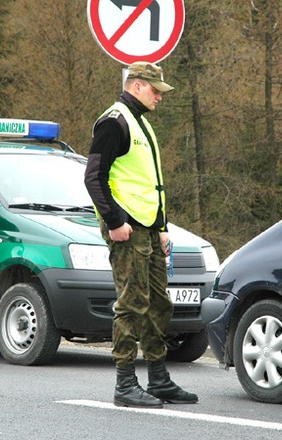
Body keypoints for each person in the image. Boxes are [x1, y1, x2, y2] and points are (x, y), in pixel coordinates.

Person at [84, 61, 198, 408]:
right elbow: (94, 177)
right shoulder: (115, 121)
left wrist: (162, 228)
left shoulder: (140, 123)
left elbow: (152, 185)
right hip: (128, 229)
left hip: (148, 228)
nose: (159, 98)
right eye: (155, 90)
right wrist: (115, 222)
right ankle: (125, 383)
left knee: (159, 304)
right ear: (136, 86)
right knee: (132, 303)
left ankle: (158, 378)